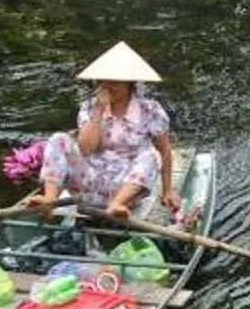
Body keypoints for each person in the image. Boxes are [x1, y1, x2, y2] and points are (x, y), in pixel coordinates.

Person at [31, 41, 183, 221]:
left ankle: (117, 204)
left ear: (129, 83)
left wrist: (167, 191)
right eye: (104, 81)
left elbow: (165, 152)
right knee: (59, 139)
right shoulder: (90, 107)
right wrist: (99, 111)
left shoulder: (150, 110)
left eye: (115, 82)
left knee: (151, 155)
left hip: (126, 185)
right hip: (89, 184)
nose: (108, 86)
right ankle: (49, 200)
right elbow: (86, 149)